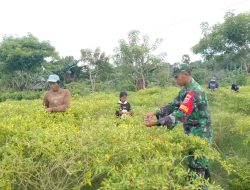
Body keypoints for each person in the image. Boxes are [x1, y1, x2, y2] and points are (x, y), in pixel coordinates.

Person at [144, 64, 212, 180]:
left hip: (200, 135)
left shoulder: (194, 91)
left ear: (185, 74)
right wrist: (155, 112)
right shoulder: (185, 90)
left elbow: (180, 113)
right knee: (192, 166)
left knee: (198, 169)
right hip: (191, 133)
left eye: (177, 77)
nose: (175, 80)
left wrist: (156, 123)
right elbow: (172, 105)